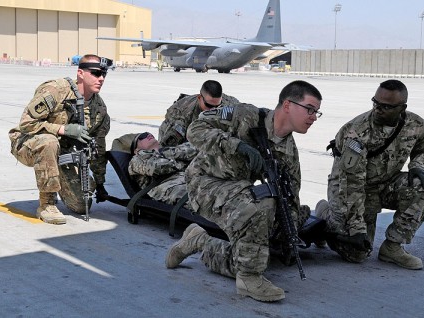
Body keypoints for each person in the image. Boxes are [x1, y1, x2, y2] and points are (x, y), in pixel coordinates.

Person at [165, 80, 323, 302]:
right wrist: (236, 145)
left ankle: (200, 241)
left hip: (238, 192)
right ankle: (249, 278)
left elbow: (291, 195)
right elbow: (196, 129)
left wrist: (289, 234)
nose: (313, 117)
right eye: (309, 109)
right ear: (287, 105)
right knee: (262, 203)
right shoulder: (244, 115)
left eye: (317, 112)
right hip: (206, 183)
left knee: (257, 254)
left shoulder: (288, 152)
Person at [316, 79, 424, 270]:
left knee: (420, 186)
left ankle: (392, 247)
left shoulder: (416, 124)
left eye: (386, 107)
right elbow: (351, 183)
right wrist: (356, 229)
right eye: (375, 103)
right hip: (351, 190)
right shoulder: (356, 132)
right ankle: (325, 215)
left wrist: (418, 165)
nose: (378, 109)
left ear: (402, 107)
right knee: (357, 253)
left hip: (386, 184)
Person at [8, 54, 113, 224]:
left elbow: (98, 147)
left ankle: (57, 184)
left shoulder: (98, 109)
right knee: (49, 142)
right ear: (80, 73)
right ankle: (46, 204)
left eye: (104, 75)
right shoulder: (56, 90)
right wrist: (64, 129)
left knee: (81, 204)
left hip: (62, 152)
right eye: (95, 73)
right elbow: (27, 124)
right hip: (28, 143)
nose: (100, 78)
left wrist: (100, 183)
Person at [111, 132, 197, 206]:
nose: (148, 135)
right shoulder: (136, 160)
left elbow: (197, 148)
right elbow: (156, 167)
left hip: (191, 180)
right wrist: (182, 162)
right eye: (142, 136)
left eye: (148, 133)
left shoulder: (167, 151)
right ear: (136, 150)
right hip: (170, 187)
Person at [158, 80, 240, 147]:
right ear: (200, 98)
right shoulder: (181, 114)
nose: (213, 110)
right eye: (209, 105)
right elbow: (166, 149)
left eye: (217, 106)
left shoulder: (230, 104)